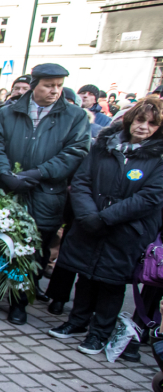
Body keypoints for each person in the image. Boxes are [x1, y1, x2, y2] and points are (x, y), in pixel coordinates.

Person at [0, 63, 91, 325]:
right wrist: (6, 175)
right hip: (3, 189)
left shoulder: (75, 116)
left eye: (59, 85)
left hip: (44, 194)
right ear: (34, 85)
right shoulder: (7, 112)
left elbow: (75, 152)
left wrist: (37, 174)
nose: (55, 91)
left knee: (32, 250)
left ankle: (18, 303)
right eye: (49, 85)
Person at [47, 99, 163, 356]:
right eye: (140, 120)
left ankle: (99, 332)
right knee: (85, 275)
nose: (144, 127)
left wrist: (106, 217)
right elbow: (82, 181)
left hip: (125, 231)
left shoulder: (158, 158)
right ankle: (77, 321)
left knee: (110, 283)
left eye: (152, 123)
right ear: (131, 119)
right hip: (90, 224)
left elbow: (149, 197)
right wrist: (89, 215)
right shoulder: (104, 146)